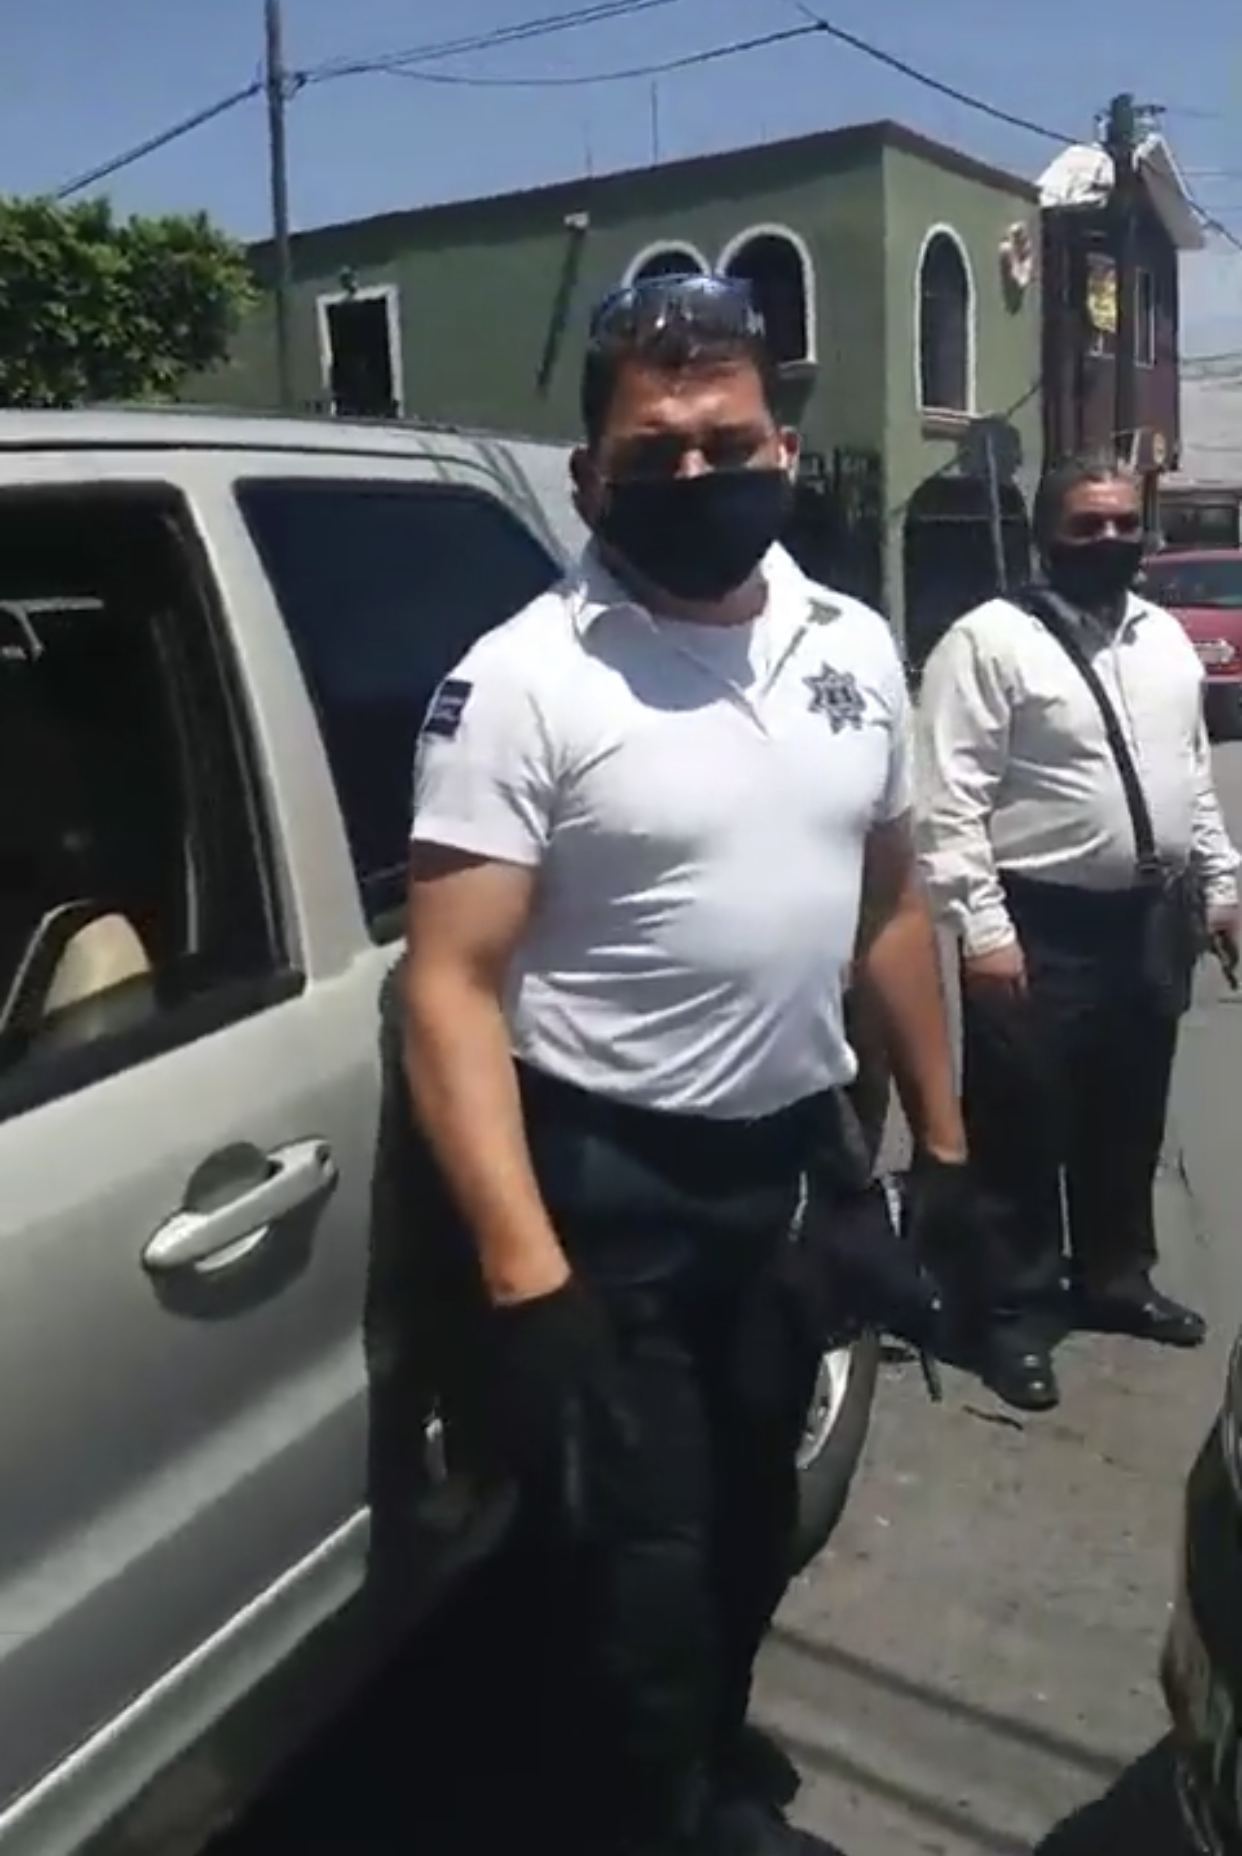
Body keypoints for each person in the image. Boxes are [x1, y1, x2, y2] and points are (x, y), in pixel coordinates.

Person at [402, 271, 967, 1856]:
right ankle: (653, 1814)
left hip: (784, 1167)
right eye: (655, 455)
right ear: (590, 479)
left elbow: (888, 909)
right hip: (608, 1182)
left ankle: (706, 1761)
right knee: (635, 1567)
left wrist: (942, 1145)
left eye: (727, 443)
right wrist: (525, 1275)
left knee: (746, 1513)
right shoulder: (523, 680)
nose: (698, 475)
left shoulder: (853, 642)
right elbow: (447, 988)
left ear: (782, 447)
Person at [915, 454, 1239, 1414]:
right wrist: (982, 930)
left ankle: (1114, 1276)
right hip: (1036, 920)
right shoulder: (989, 642)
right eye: (1088, 524)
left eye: (1124, 523)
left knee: (1127, 1111)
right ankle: (1010, 1313)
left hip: (1149, 917)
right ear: (1047, 535)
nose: (1110, 540)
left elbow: (1191, 777)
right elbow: (948, 804)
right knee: (1021, 1124)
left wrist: (1221, 886)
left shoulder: (1163, 639)